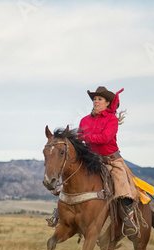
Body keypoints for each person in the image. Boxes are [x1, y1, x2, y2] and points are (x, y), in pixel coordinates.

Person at [46, 86, 141, 235]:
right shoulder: (85, 120)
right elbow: (81, 142)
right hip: (92, 159)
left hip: (111, 160)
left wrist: (84, 137)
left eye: (100, 99)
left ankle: (129, 219)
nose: (96, 101)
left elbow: (105, 138)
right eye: (95, 99)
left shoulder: (111, 120)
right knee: (72, 176)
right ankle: (59, 212)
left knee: (122, 183)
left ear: (107, 103)